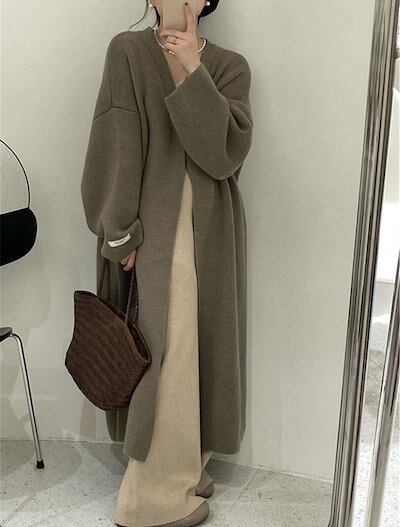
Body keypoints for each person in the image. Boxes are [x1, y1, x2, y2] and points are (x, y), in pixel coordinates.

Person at [80, 1, 253, 526]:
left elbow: (223, 156)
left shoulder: (229, 66)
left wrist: (192, 68)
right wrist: (119, 230)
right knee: (167, 351)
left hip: (213, 232)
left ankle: (188, 466)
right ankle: (150, 498)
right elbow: (115, 144)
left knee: (203, 346)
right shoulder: (128, 51)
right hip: (154, 230)